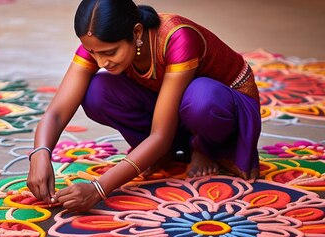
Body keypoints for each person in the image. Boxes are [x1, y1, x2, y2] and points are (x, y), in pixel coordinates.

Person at [27, 0, 261, 212]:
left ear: (137, 32)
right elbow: (57, 112)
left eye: (110, 53)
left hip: (224, 110)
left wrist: (99, 188)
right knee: (95, 92)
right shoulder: (99, 43)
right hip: (172, 110)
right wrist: (40, 154)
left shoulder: (178, 38)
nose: (101, 62)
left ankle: (205, 148)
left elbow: (160, 134)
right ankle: (163, 154)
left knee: (200, 98)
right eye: (93, 53)